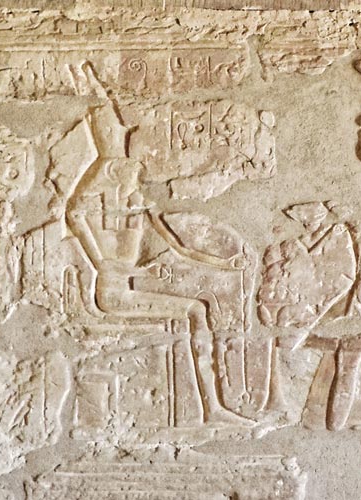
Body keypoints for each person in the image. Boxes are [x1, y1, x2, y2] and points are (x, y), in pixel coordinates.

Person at [62, 62, 250, 425]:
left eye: (136, 173)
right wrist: (107, 263)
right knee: (196, 311)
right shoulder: (97, 208)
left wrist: (224, 265)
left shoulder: (138, 208)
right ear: (115, 171)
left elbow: (180, 248)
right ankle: (211, 408)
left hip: (128, 286)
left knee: (199, 307)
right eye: (131, 172)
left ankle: (211, 406)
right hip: (113, 296)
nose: (137, 178)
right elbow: (76, 216)